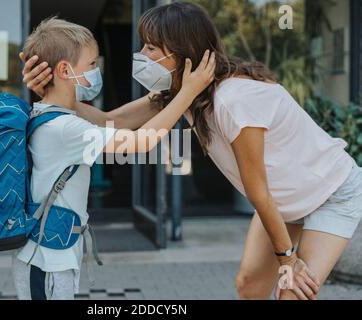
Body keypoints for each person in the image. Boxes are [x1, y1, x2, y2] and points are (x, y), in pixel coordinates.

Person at [22, 2, 362, 300]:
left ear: (182, 55)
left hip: (329, 194)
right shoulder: (182, 94)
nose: (143, 56)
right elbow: (111, 120)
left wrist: (288, 259)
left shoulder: (235, 100)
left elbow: (257, 193)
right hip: (283, 200)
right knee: (249, 286)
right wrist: (51, 92)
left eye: (153, 48)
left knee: (291, 291)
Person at [13, 16, 215, 300]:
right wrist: (189, 92)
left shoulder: (56, 115)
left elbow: (112, 119)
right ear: (64, 70)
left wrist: (175, 90)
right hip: (46, 260)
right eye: (92, 64)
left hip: (53, 253)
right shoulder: (65, 128)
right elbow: (141, 141)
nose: (97, 71)